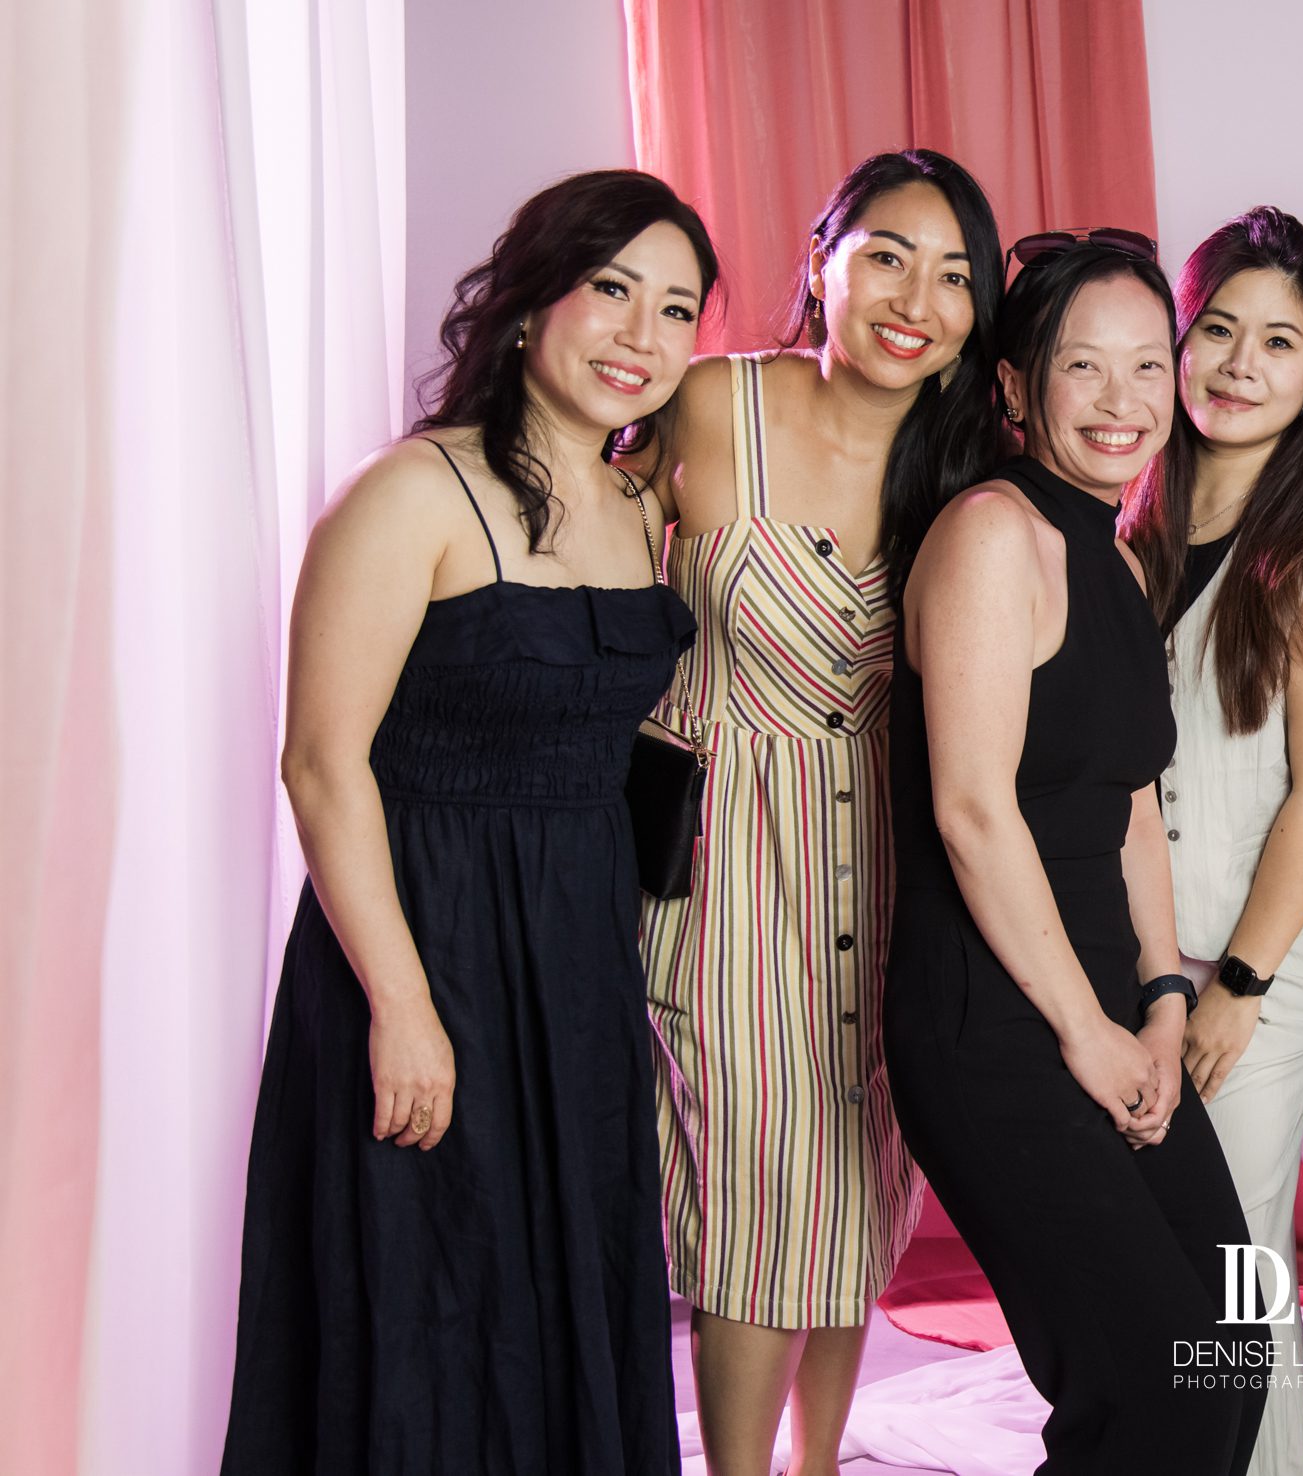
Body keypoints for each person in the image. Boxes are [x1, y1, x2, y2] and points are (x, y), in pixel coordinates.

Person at [220, 170, 717, 1475]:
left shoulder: (640, 506)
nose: (642, 334)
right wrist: (401, 1004)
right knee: (430, 1287)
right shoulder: (409, 493)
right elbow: (321, 764)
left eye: (676, 310)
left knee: (567, 1276)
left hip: (578, 955)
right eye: (611, 289)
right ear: (530, 301)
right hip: (423, 939)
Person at [626, 148, 1004, 1476]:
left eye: (953, 275)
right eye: (887, 257)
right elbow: (582, 572)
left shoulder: (971, 468)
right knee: (753, 1194)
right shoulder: (705, 404)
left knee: (856, 1176)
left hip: (893, 863)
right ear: (821, 261)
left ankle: (817, 1459)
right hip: (724, 859)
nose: (916, 300)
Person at [884, 235, 1262, 1475]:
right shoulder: (992, 534)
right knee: (1154, 1389)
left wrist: (1162, 998)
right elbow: (971, 811)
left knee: (1236, 1338)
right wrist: (1087, 1033)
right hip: (994, 1022)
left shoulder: (1115, 553)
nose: (1122, 399)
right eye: (1083, 365)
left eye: (1148, 364)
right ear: (1013, 384)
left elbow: (1134, 803)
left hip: (1111, 1005)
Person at [1127, 206, 1303, 1476]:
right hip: (1141, 954)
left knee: (1237, 1261)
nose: (1237, 364)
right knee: (1171, 1261)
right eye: (1217, 329)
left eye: (1278, 341)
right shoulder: (1129, 517)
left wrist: (1236, 985)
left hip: (1256, 967)